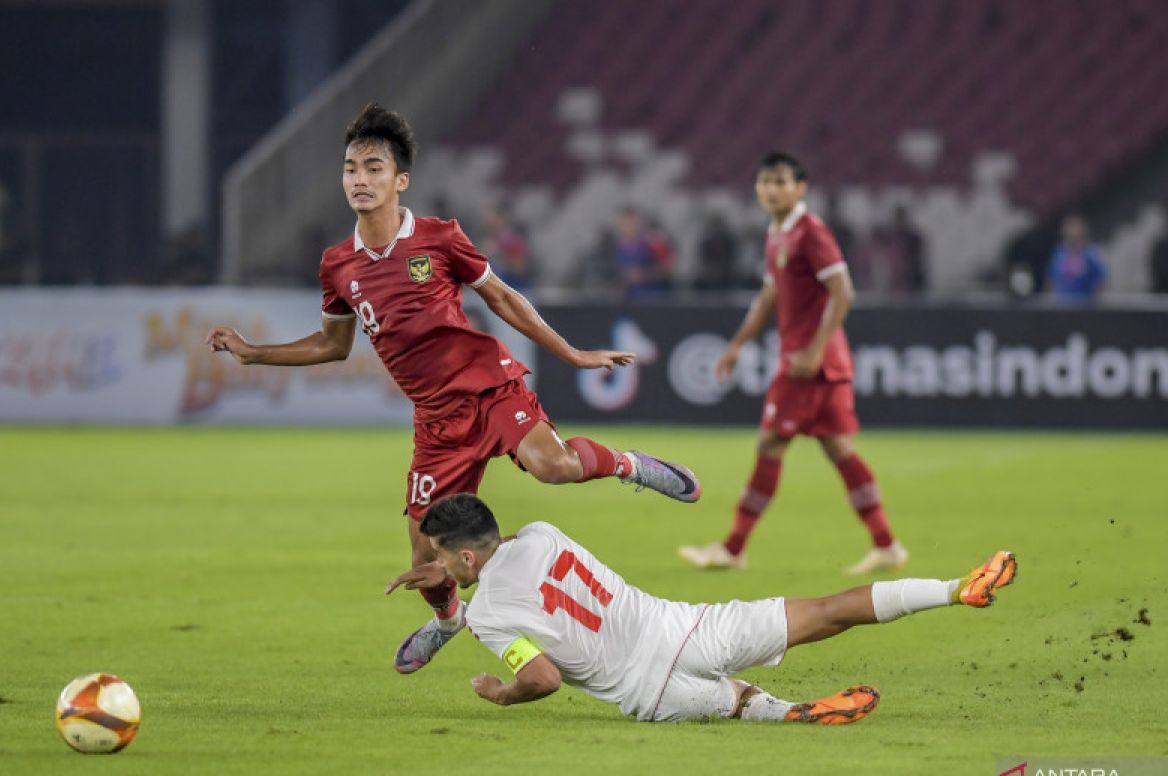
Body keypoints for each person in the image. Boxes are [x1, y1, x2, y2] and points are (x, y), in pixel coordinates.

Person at [205, 103, 701, 674]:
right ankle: (447, 621)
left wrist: (571, 353)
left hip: (488, 387)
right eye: (350, 169)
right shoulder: (337, 265)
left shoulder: (440, 238)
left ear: (400, 180)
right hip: (436, 421)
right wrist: (252, 352)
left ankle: (630, 466)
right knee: (427, 558)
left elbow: (504, 298)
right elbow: (332, 345)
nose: (359, 180)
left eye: (373, 168)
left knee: (554, 467)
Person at [387, 494, 1017, 724]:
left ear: (467, 561)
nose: (438, 565)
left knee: (737, 704)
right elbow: (508, 559)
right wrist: (453, 571)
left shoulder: (490, 614)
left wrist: (501, 694)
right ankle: (955, 587)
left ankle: (796, 712)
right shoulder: (544, 533)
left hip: (649, 693)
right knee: (827, 610)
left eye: (441, 556)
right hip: (685, 629)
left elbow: (543, 677)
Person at [678, 152, 907, 574]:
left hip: (808, 363)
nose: (772, 189)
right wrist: (737, 344)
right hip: (817, 361)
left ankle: (732, 548)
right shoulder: (777, 232)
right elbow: (770, 296)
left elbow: (844, 292)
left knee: (770, 444)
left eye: (781, 182)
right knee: (839, 449)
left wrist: (817, 349)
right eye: (765, 182)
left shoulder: (811, 232)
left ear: (800, 187)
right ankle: (886, 544)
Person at [1045, 215, 1106, 304]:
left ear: (1082, 231)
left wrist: (1096, 305)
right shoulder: (1058, 253)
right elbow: (1050, 281)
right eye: (1069, 227)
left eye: (1074, 227)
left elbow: (1099, 283)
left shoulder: (1091, 255)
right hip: (1061, 306)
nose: (1071, 232)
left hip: (1083, 307)